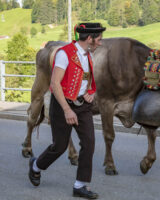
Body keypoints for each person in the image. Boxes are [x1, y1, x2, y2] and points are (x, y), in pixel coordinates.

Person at [28, 23, 106, 199]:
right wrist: (67, 110)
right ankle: (36, 166)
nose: (100, 43)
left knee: (89, 143)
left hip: (83, 106)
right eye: (98, 40)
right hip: (63, 104)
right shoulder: (65, 54)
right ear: (89, 38)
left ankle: (80, 185)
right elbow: (55, 84)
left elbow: (89, 79)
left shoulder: (88, 55)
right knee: (60, 146)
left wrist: (90, 92)